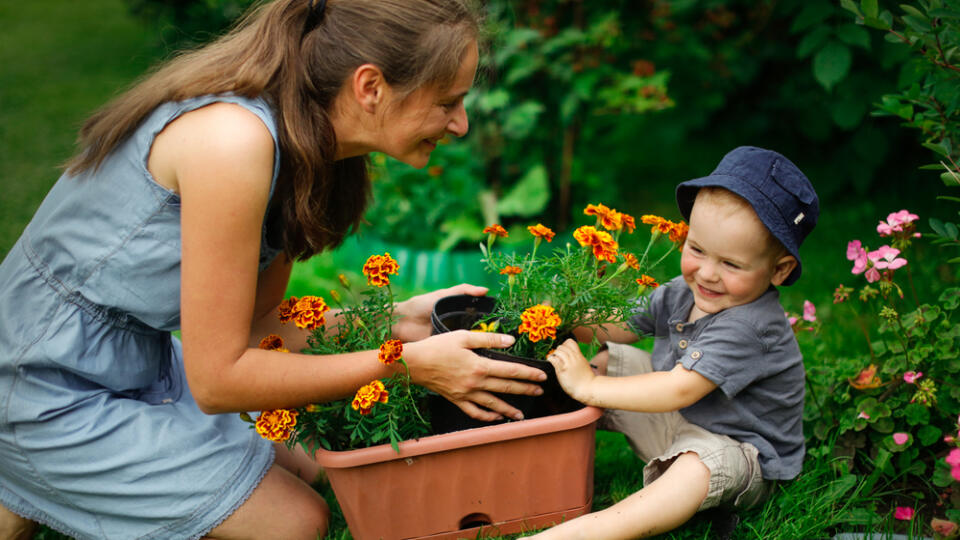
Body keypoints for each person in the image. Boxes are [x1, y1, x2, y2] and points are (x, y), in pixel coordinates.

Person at [0, 1, 550, 539]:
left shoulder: (305, 147)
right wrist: (403, 364)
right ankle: (21, 472)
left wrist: (396, 319)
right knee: (293, 523)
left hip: (134, 362)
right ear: (371, 87)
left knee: (310, 460)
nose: (461, 124)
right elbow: (220, 381)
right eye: (448, 101)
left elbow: (259, 332)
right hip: (40, 376)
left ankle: (26, 490)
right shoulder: (231, 144)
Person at [532, 146, 819, 539]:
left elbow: (680, 388)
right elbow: (623, 324)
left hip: (737, 451)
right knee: (611, 359)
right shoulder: (686, 291)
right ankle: (529, 452)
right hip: (679, 420)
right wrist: (568, 317)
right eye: (697, 249)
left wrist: (591, 387)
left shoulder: (751, 326)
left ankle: (597, 530)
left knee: (694, 468)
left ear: (779, 270)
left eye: (731, 264)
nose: (707, 274)